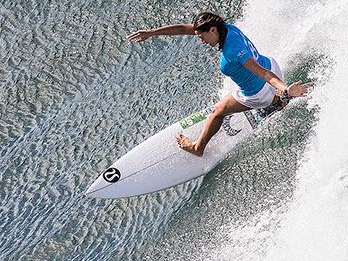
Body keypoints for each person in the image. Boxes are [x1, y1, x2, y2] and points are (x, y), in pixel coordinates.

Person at [127, 12, 309, 156]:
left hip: (258, 91)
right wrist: (152, 33)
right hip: (272, 65)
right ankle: (277, 100)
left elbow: (262, 73)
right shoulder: (227, 28)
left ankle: (197, 148)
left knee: (217, 112)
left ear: (212, 29)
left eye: (202, 36)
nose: (202, 41)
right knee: (264, 89)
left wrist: (285, 88)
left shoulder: (232, 51)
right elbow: (184, 29)